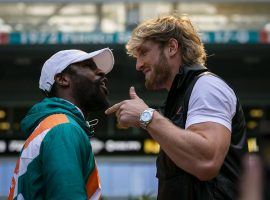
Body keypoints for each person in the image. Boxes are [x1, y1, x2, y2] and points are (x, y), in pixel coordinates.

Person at [105, 15, 248, 199]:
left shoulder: (207, 87)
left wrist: (147, 116)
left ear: (172, 47)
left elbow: (207, 161)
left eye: (144, 52)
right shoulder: (180, 97)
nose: (138, 65)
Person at [8, 48, 114, 200]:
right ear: (62, 79)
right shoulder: (63, 129)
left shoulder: (55, 126)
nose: (102, 73)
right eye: (89, 66)